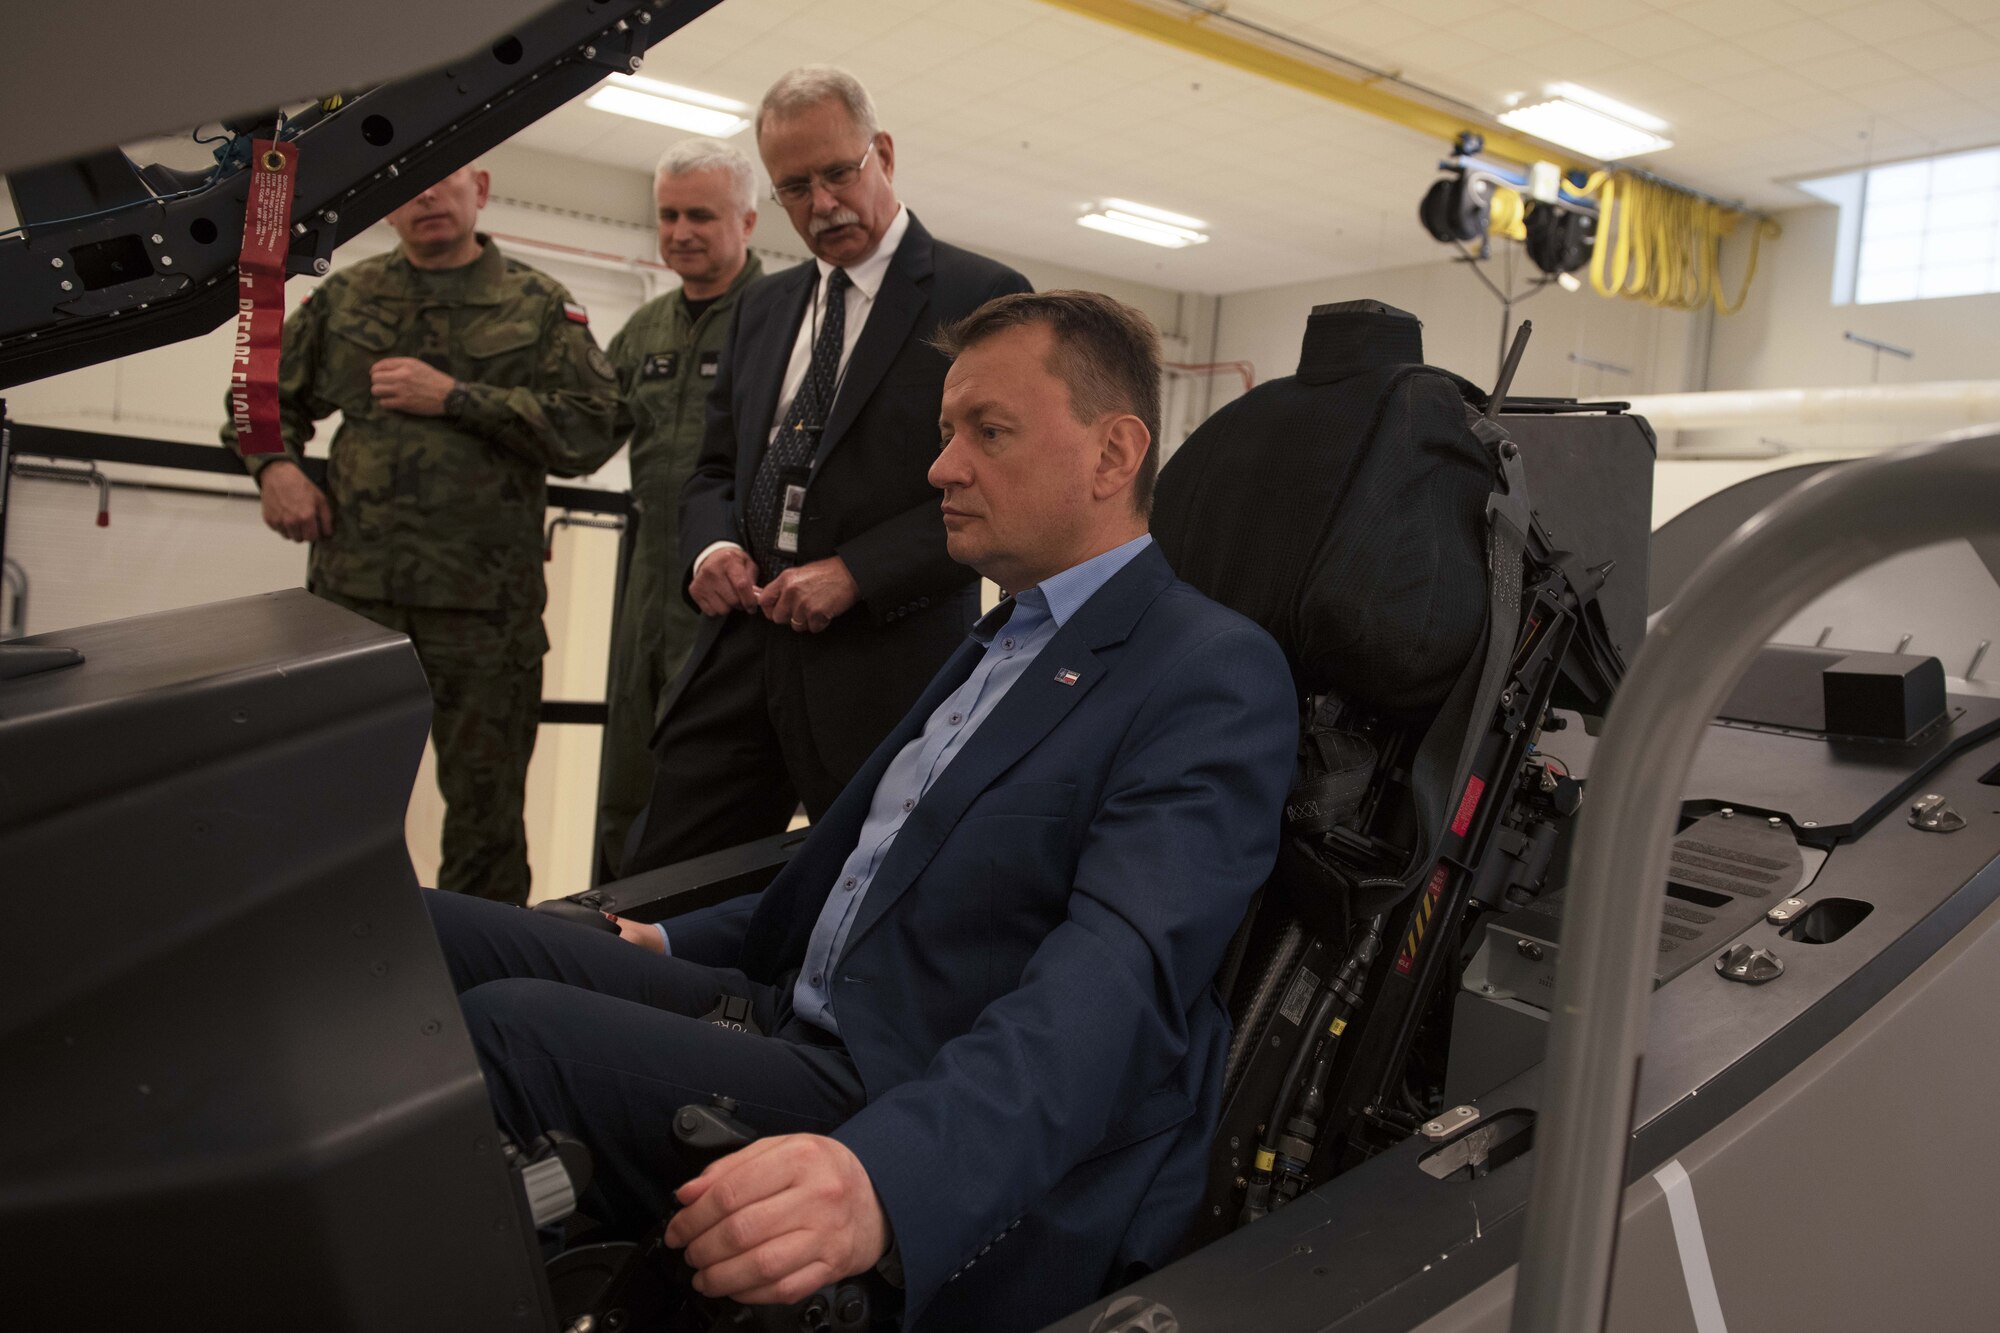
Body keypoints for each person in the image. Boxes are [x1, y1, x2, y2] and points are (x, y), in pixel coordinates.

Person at [426, 291, 1299, 1332]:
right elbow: (858, 878)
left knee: (509, 1036)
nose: (941, 468)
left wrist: (888, 1177)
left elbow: (1115, 984)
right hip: (785, 1003)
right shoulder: (1001, 641)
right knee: (422, 934)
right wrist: (660, 938)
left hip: (899, 1087)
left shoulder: (1207, 673)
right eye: (944, 432)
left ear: (1113, 456)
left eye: (988, 431)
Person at [618, 65, 1033, 876]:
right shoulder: (762, 308)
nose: (823, 204)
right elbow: (710, 471)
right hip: (740, 644)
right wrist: (711, 552)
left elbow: (997, 487)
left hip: (879, 662)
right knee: (658, 880)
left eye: (840, 173)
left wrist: (855, 571)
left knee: (858, 894)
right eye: (795, 188)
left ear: (881, 152)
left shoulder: (980, 298)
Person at [223, 164, 622, 905]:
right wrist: (274, 468)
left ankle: (477, 985)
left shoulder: (537, 306)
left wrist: (458, 398)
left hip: (485, 617)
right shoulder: (346, 298)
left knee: (485, 818)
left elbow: (592, 427)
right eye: (407, 187)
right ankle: (335, 958)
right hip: (354, 605)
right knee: (334, 801)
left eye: (444, 182)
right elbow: (258, 397)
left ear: (483, 189)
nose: (427, 197)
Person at [597, 139, 765, 876]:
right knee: (625, 777)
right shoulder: (646, 329)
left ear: (749, 221)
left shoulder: (779, 321)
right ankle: (597, 940)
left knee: (703, 797)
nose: (681, 232)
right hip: (645, 590)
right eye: (668, 215)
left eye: (702, 214)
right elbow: (580, 428)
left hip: (732, 594)